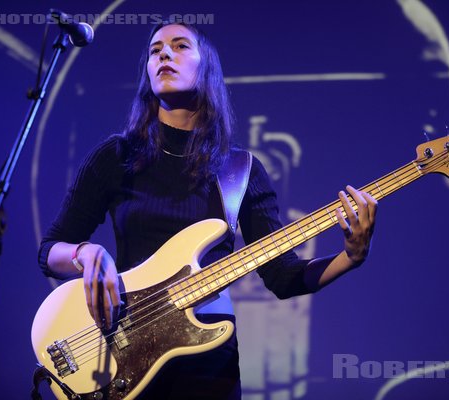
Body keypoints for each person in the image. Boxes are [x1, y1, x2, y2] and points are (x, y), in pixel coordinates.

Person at [38, 22, 377, 399]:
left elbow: (283, 276)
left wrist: (351, 256)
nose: (164, 54)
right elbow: (50, 249)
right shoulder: (116, 157)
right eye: (155, 50)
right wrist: (84, 253)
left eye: (180, 46)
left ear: (207, 70)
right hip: (124, 347)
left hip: (207, 362)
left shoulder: (240, 171)